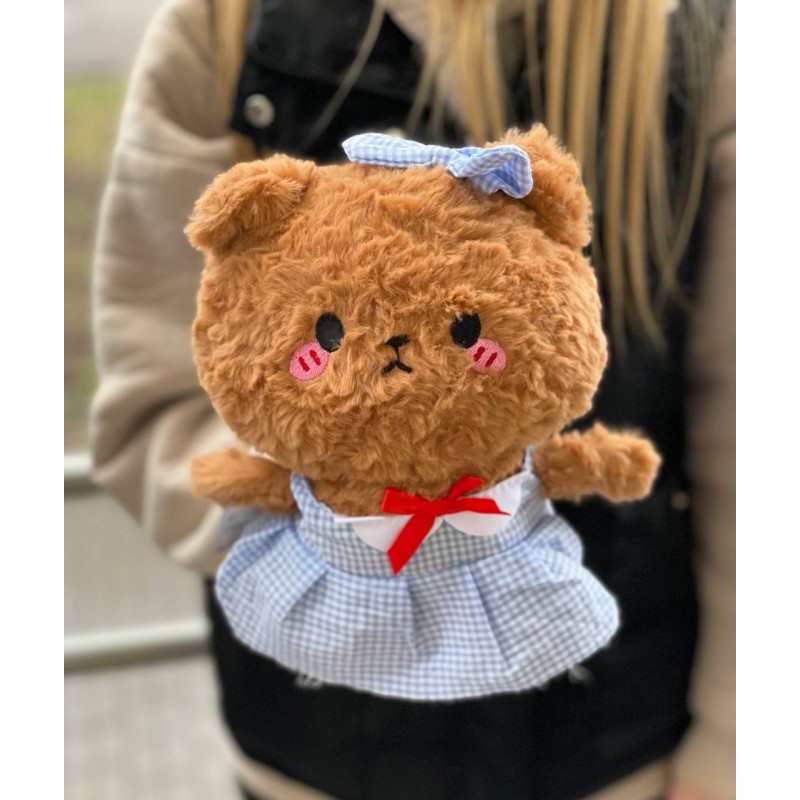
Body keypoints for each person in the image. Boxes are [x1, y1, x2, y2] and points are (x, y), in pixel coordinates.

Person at [90, 1, 735, 798]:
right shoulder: (221, 24)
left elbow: (748, 430)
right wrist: (326, 541)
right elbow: (155, 404)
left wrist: (735, 744)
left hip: (621, 747)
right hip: (310, 749)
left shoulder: (700, 35)